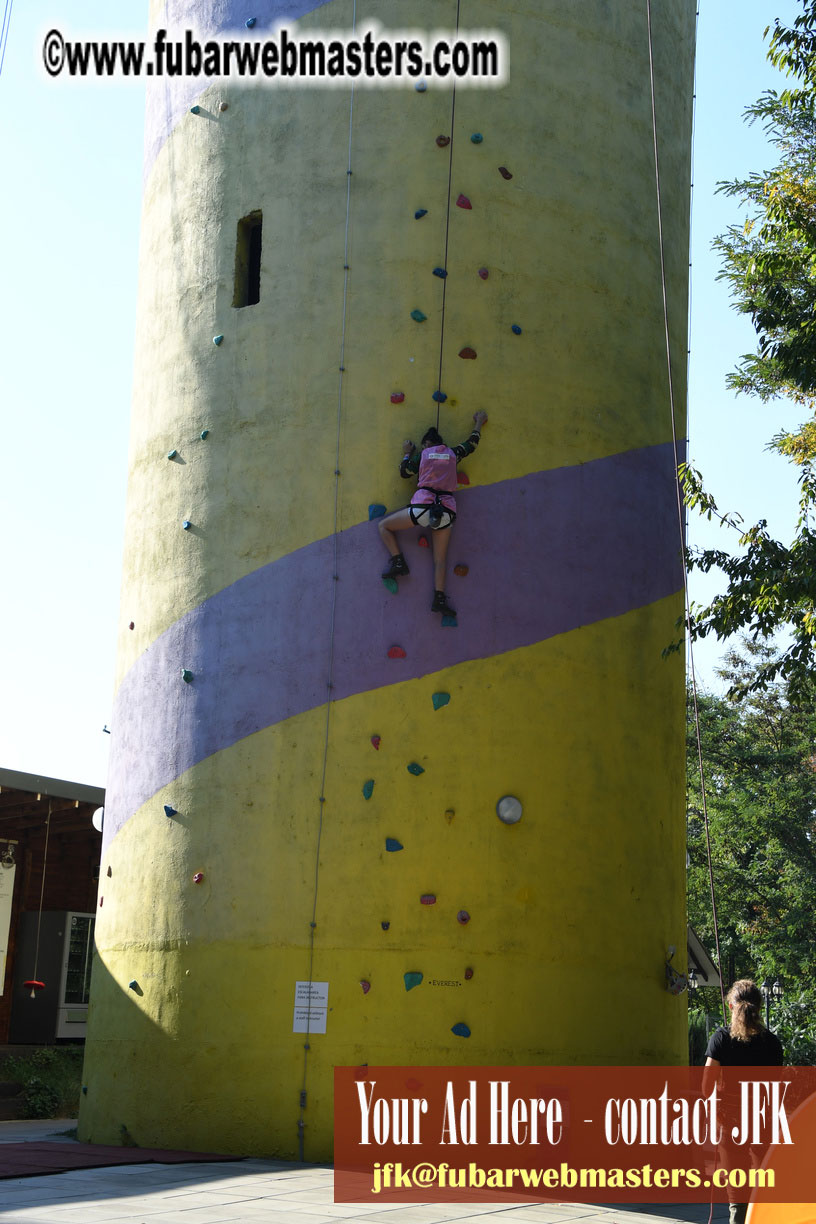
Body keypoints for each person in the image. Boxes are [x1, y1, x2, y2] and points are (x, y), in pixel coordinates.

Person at [378, 410, 488, 617]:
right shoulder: (453, 454)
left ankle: (398, 562)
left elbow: (404, 472)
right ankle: (439, 599)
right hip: (446, 511)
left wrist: (407, 452)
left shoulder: (423, 455)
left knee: (383, 526)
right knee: (440, 560)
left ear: (427, 444)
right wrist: (479, 421)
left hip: (423, 507)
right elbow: (472, 443)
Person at [703, 979, 784, 1224]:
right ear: (759, 1008)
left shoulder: (721, 1039)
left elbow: (706, 1087)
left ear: (730, 1006)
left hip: (731, 1121)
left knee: (737, 1192)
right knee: (762, 1187)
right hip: (763, 1120)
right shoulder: (772, 1043)